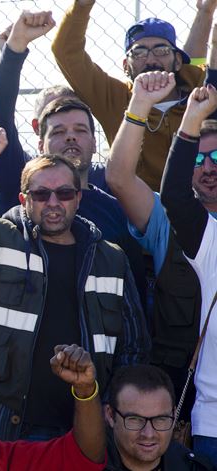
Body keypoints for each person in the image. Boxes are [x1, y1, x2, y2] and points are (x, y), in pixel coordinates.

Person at [0, 124, 150, 441]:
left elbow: (132, 348)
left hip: (82, 425)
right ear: (23, 199)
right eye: (41, 194)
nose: (53, 202)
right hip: (4, 424)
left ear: (77, 199)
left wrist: (113, 405)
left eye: (64, 193)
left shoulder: (110, 259)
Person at [0, 9, 149, 311]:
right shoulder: (22, 192)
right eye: (58, 131)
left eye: (80, 130)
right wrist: (15, 49)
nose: (71, 137)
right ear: (40, 141)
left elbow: (133, 294)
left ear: (94, 142)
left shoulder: (115, 207)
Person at [105, 71, 213, 425]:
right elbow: (119, 178)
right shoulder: (166, 218)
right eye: (197, 160)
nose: (209, 168)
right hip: (179, 382)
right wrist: (139, 105)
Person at [51, 0, 208, 190]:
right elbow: (66, 52)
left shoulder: (203, 92)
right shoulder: (113, 98)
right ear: (126, 66)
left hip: (202, 203)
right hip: (136, 211)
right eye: (139, 53)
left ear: (177, 61)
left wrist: (206, 11)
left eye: (161, 51)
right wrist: (82, 5)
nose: (151, 60)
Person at [159, 83, 217, 466]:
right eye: (200, 160)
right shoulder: (209, 238)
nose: (209, 168)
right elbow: (175, 196)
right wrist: (192, 121)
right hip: (213, 425)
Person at [104, 365, 215, 471]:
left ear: (174, 414)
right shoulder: (92, 464)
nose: (148, 434)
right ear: (110, 415)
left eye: (160, 419)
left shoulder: (193, 468)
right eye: (135, 419)